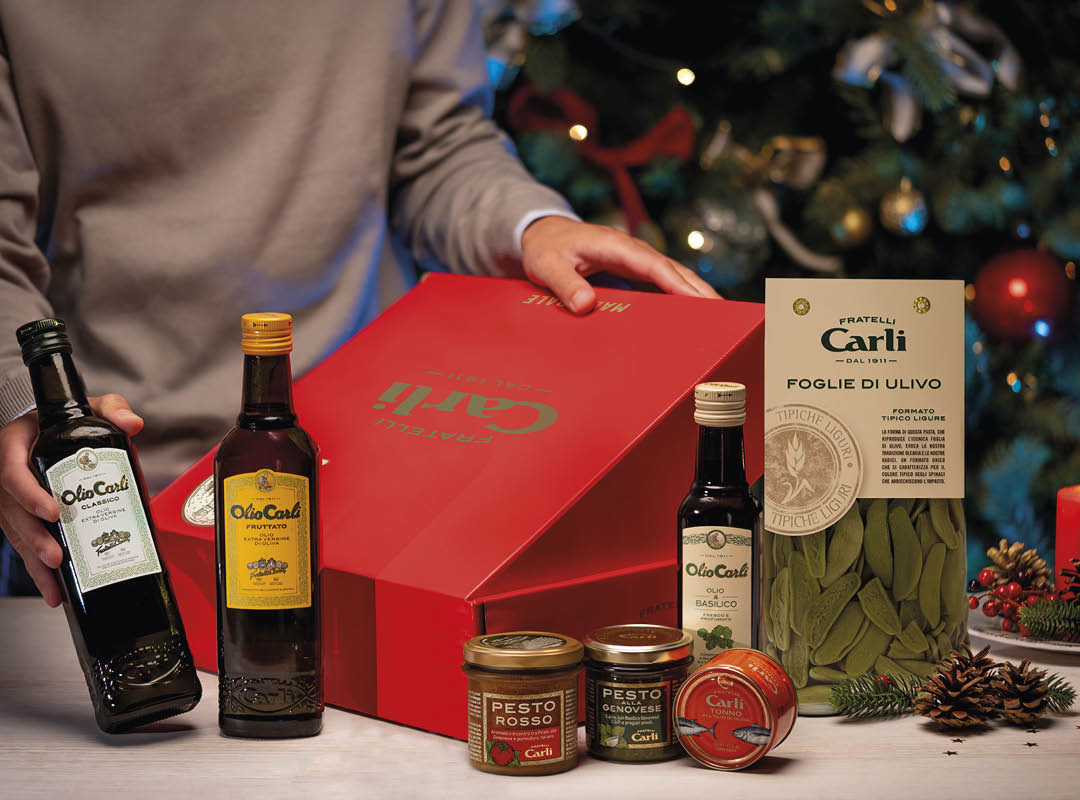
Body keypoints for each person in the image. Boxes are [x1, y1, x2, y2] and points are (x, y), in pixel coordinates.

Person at [0, 1, 718, 605]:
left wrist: (531, 226)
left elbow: (435, 146)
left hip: (373, 487)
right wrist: (17, 402)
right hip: (117, 497)